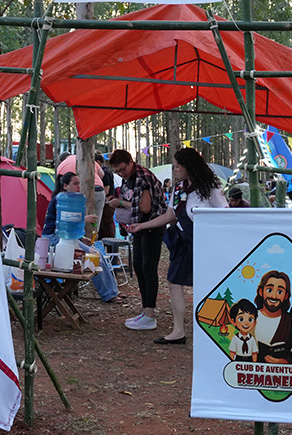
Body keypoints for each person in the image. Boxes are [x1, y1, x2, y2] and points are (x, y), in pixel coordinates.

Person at [127, 147, 227, 344]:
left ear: (189, 166)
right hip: (182, 242)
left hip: (205, 243)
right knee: (174, 283)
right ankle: (178, 331)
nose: (175, 170)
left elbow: (224, 212)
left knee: (209, 285)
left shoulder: (210, 186)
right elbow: (169, 215)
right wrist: (142, 225)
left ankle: (216, 328)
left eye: (178, 166)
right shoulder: (178, 188)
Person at [107, 149, 167, 331]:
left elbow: (145, 207)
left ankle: (150, 314)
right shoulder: (128, 178)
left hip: (152, 226)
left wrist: (120, 203)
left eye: (123, 169)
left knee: (148, 268)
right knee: (139, 267)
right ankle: (145, 311)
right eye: (117, 171)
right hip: (139, 227)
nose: (121, 173)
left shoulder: (142, 177)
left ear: (131, 162)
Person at [44, 172, 119, 303]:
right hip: (54, 239)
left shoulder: (73, 199)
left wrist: (80, 237)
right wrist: (84, 219)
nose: (78, 186)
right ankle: (109, 294)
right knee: (94, 257)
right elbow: (63, 223)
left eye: (79, 183)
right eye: (75, 184)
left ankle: (112, 291)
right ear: (65, 186)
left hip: (67, 239)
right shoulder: (60, 199)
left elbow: (69, 229)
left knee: (97, 254)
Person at [253, 270, 292, 364]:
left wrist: (285, 362)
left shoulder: (291, 321)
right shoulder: (250, 318)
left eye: (280, 291)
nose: (274, 296)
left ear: (286, 296)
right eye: (269, 290)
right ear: (261, 291)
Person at [57, 153, 106, 233]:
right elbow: (102, 174)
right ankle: (94, 237)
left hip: (82, 193)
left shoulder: (61, 166)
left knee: (80, 221)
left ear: (60, 161)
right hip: (99, 190)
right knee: (95, 222)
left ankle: (83, 238)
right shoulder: (83, 156)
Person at [95, 154, 117, 239]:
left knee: (106, 224)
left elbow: (106, 190)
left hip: (108, 202)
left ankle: (110, 243)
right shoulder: (106, 171)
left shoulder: (105, 173)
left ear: (97, 162)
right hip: (107, 201)